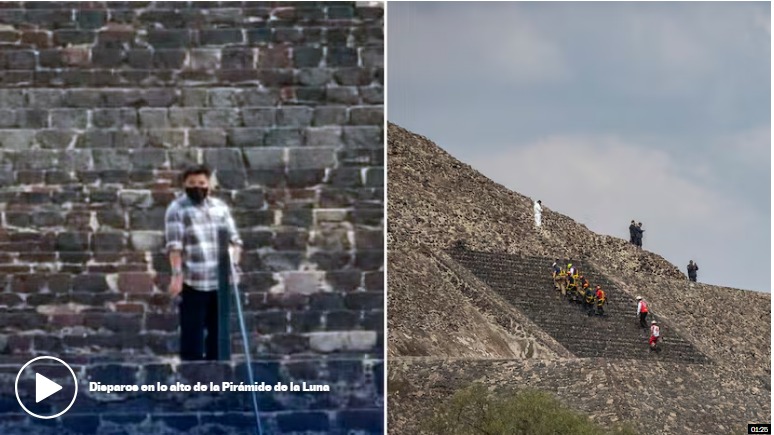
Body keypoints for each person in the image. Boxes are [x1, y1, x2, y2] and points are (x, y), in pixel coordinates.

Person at [165, 165, 243, 361]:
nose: (197, 187)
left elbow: (235, 240)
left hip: (220, 282)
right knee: (192, 336)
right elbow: (175, 246)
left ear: (209, 185)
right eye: (192, 183)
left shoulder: (220, 208)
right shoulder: (177, 209)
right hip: (194, 281)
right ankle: (192, 384)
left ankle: (218, 381)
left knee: (219, 335)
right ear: (184, 185)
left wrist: (232, 262)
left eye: (201, 183)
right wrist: (176, 276)